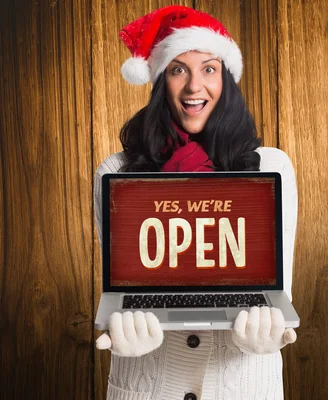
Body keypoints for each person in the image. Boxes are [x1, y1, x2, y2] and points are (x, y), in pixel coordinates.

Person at [93, 6, 298, 399]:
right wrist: (122, 330)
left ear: (226, 79)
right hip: (147, 389)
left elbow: (275, 288)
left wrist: (268, 336)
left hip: (243, 386)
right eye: (178, 69)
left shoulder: (271, 167)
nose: (193, 87)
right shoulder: (117, 171)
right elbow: (121, 285)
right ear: (159, 82)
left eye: (208, 69)